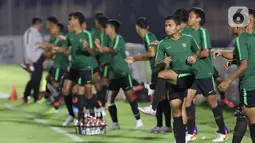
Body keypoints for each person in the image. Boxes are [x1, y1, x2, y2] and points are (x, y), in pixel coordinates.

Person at [153, 15, 200, 143]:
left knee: (161, 75)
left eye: (170, 25)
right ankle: (180, 141)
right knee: (176, 110)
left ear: (178, 27)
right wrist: (163, 61)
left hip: (188, 76)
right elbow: (157, 63)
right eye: (165, 26)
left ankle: (153, 107)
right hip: (174, 80)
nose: (167, 28)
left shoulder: (188, 39)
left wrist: (194, 57)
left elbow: (199, 51)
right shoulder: (163, 43)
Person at [184, 7, 228, 142]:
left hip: (204, 73)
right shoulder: (188, 33)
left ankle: (223, 131)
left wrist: (194, 56)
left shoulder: (203, 32)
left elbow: (205, 52)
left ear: (198, 19)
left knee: (212, 103)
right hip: (193, 74)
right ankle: (191, 132)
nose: (189, 18)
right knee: (187, 101)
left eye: (191, 16)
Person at [214, 8, 255, 142]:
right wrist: (231, 59)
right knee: (243, 116)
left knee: (251, 121)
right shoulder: (251, 38)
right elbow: (242, 56)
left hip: (249, 85)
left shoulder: (241, 39)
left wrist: (228, 81)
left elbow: (244, 65)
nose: (229, 28)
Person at [94, 19, 143, 130]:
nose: (106, 29)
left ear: (112, 28)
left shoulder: (118, 39)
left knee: (130, 98)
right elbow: (117, 58)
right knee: (109, 99)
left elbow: (114, 51)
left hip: (123, 74)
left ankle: (139, 121)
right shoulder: (112, 41)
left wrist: (99, 46)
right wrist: (106, 64)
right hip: (115, 76)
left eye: (107, 27)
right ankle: (115, 123)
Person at [126, 17, 172, 133]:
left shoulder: (148, 36)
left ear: (137, 27)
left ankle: (163, 125)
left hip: (158, 70)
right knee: (162, 98)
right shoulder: (150, 36)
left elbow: (151, 53)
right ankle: (164, 125)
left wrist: (135, 58)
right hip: (159, 69)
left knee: (160, 98)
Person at [61, 12, 97, 126]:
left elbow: (92, 52)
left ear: (77, 20)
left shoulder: (87, 34)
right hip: (74, 68)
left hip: (85, 67)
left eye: (71, 19)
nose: (70, 22)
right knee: (66, 90)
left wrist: (87, 48)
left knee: (87, 91)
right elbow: (65, 49)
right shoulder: (70, 35)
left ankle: (88, 116)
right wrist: (57, 49)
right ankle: (72, 115)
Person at [35, 23, 69, 114]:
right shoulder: (58, 39)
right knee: (52, 81)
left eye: (53, 27)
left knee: (57, 85)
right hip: (58, 64)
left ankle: (56, 105)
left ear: (58, 28)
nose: (51, 29)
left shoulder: (61, 39)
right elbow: (52, 51)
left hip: (60, 64)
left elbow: (55, 48)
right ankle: (53, 100)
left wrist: (42, 45)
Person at [23, 17, 45, 103]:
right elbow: (27, 46)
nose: (41, 26)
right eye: (41, 24)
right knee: (34, 79)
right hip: (33, 60)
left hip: (40, 59)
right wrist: (29, 59)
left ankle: (36, 97)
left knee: (38, 79)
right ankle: (26, 95)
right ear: (37, 24)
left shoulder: (38, 33)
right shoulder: (29, 33)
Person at [93, 15, 112, 108]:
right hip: (100, 61)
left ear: (99, 24)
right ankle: (102, 99)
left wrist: (98, 46)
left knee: (104, 81)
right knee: (96, 80)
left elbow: (105, 49)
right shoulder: (98, 33)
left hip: (106, 61)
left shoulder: (106, 35)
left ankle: (103, 102)